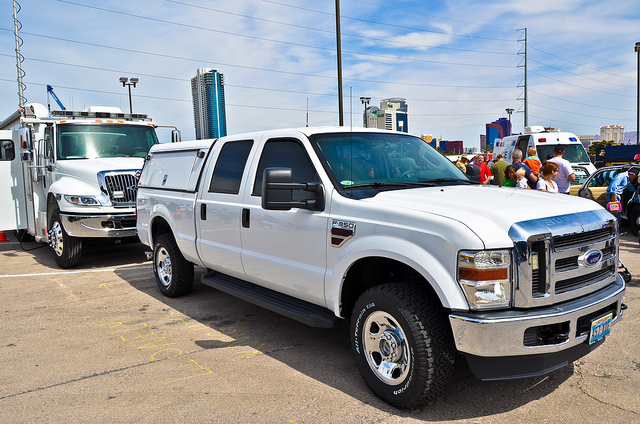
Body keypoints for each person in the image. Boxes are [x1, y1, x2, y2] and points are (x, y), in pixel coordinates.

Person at [606, 166, 639, 231]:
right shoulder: (621, 176)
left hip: (617, 195)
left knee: (617, 213)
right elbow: (614, 185)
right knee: (615, 214)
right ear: (633, 174)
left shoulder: (627, 178)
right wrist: (614, 196)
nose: (634, 178)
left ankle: (617, 229)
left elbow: (628, 185)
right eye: (635, 177)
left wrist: (634, 190)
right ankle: (616, 230)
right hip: (613, 195)